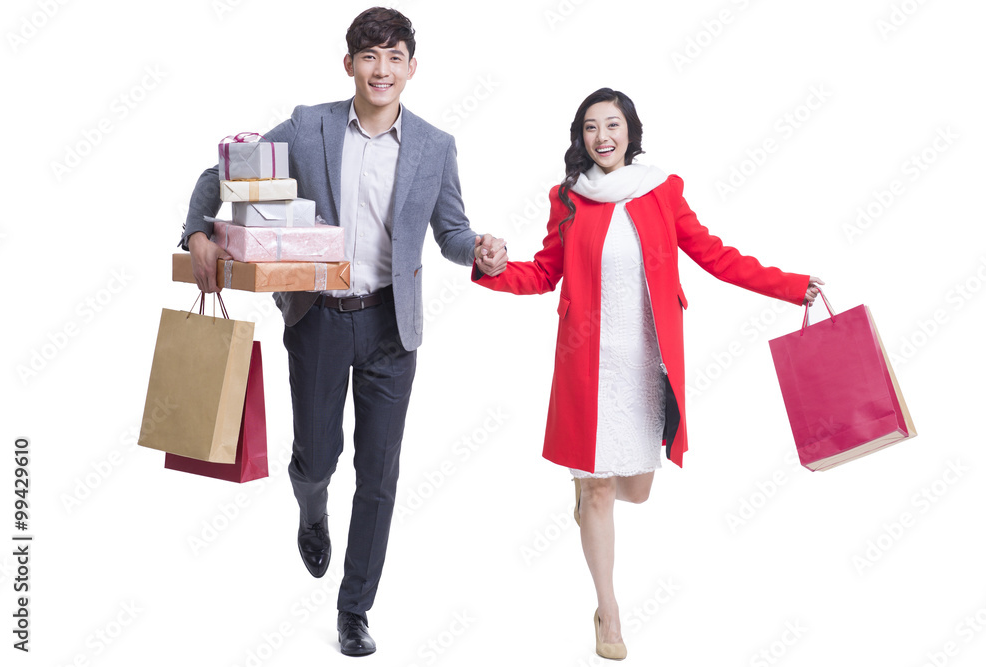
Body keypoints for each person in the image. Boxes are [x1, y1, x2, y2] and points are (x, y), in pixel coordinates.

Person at [179, 7, 507, 657]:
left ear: (413, 66)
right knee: (317, 456)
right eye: (368, 56)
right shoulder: (309, 127)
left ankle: (353, 608)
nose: (381, 69)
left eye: (394, 57)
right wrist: (197, 231)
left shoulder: (435, 147)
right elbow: (220, 176)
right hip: (319, 318)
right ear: (350, 64)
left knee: (379, 473)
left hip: (393, 327)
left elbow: (452, 232)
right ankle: (310, 506)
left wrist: (480, 251)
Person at [471, 87, 823, 660]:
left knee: (637, 487)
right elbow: (542, 273)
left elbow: (716, 255)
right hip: (587, 362)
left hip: (644, 362)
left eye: (612, 124)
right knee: (602, 485)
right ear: (579, 137)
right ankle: (607, 611)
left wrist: (790, 286)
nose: (602, 136)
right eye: (590, 127)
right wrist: (491, 268)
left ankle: (589, 494)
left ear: (631, 131)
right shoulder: (567, 199)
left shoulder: (662, 190)